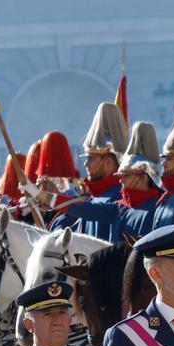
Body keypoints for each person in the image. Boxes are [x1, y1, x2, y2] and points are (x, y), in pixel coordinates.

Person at [51, 102, 129, 242]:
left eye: (91, 158)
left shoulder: (118, 196)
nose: (86, 164)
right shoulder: (93, 198)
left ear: (108, 162)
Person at [116, 121, 163, 239]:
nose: (121, 181)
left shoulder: (157, 210)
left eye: (126, 176)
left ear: (143, 177)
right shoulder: (124, 208)